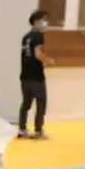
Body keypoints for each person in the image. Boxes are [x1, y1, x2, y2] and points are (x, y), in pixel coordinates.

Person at [18, 10, 56, 139]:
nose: (46, 23)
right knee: (41, 102)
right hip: (36, 76)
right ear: (36, 21)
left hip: (25, 76)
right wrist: (48, 60)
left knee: (26, 103)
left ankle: (22, 129)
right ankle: (38, 130)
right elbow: (37, 54)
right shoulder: (39, 36)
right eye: (44, 20)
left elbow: (27, 55)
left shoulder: (26, 37)